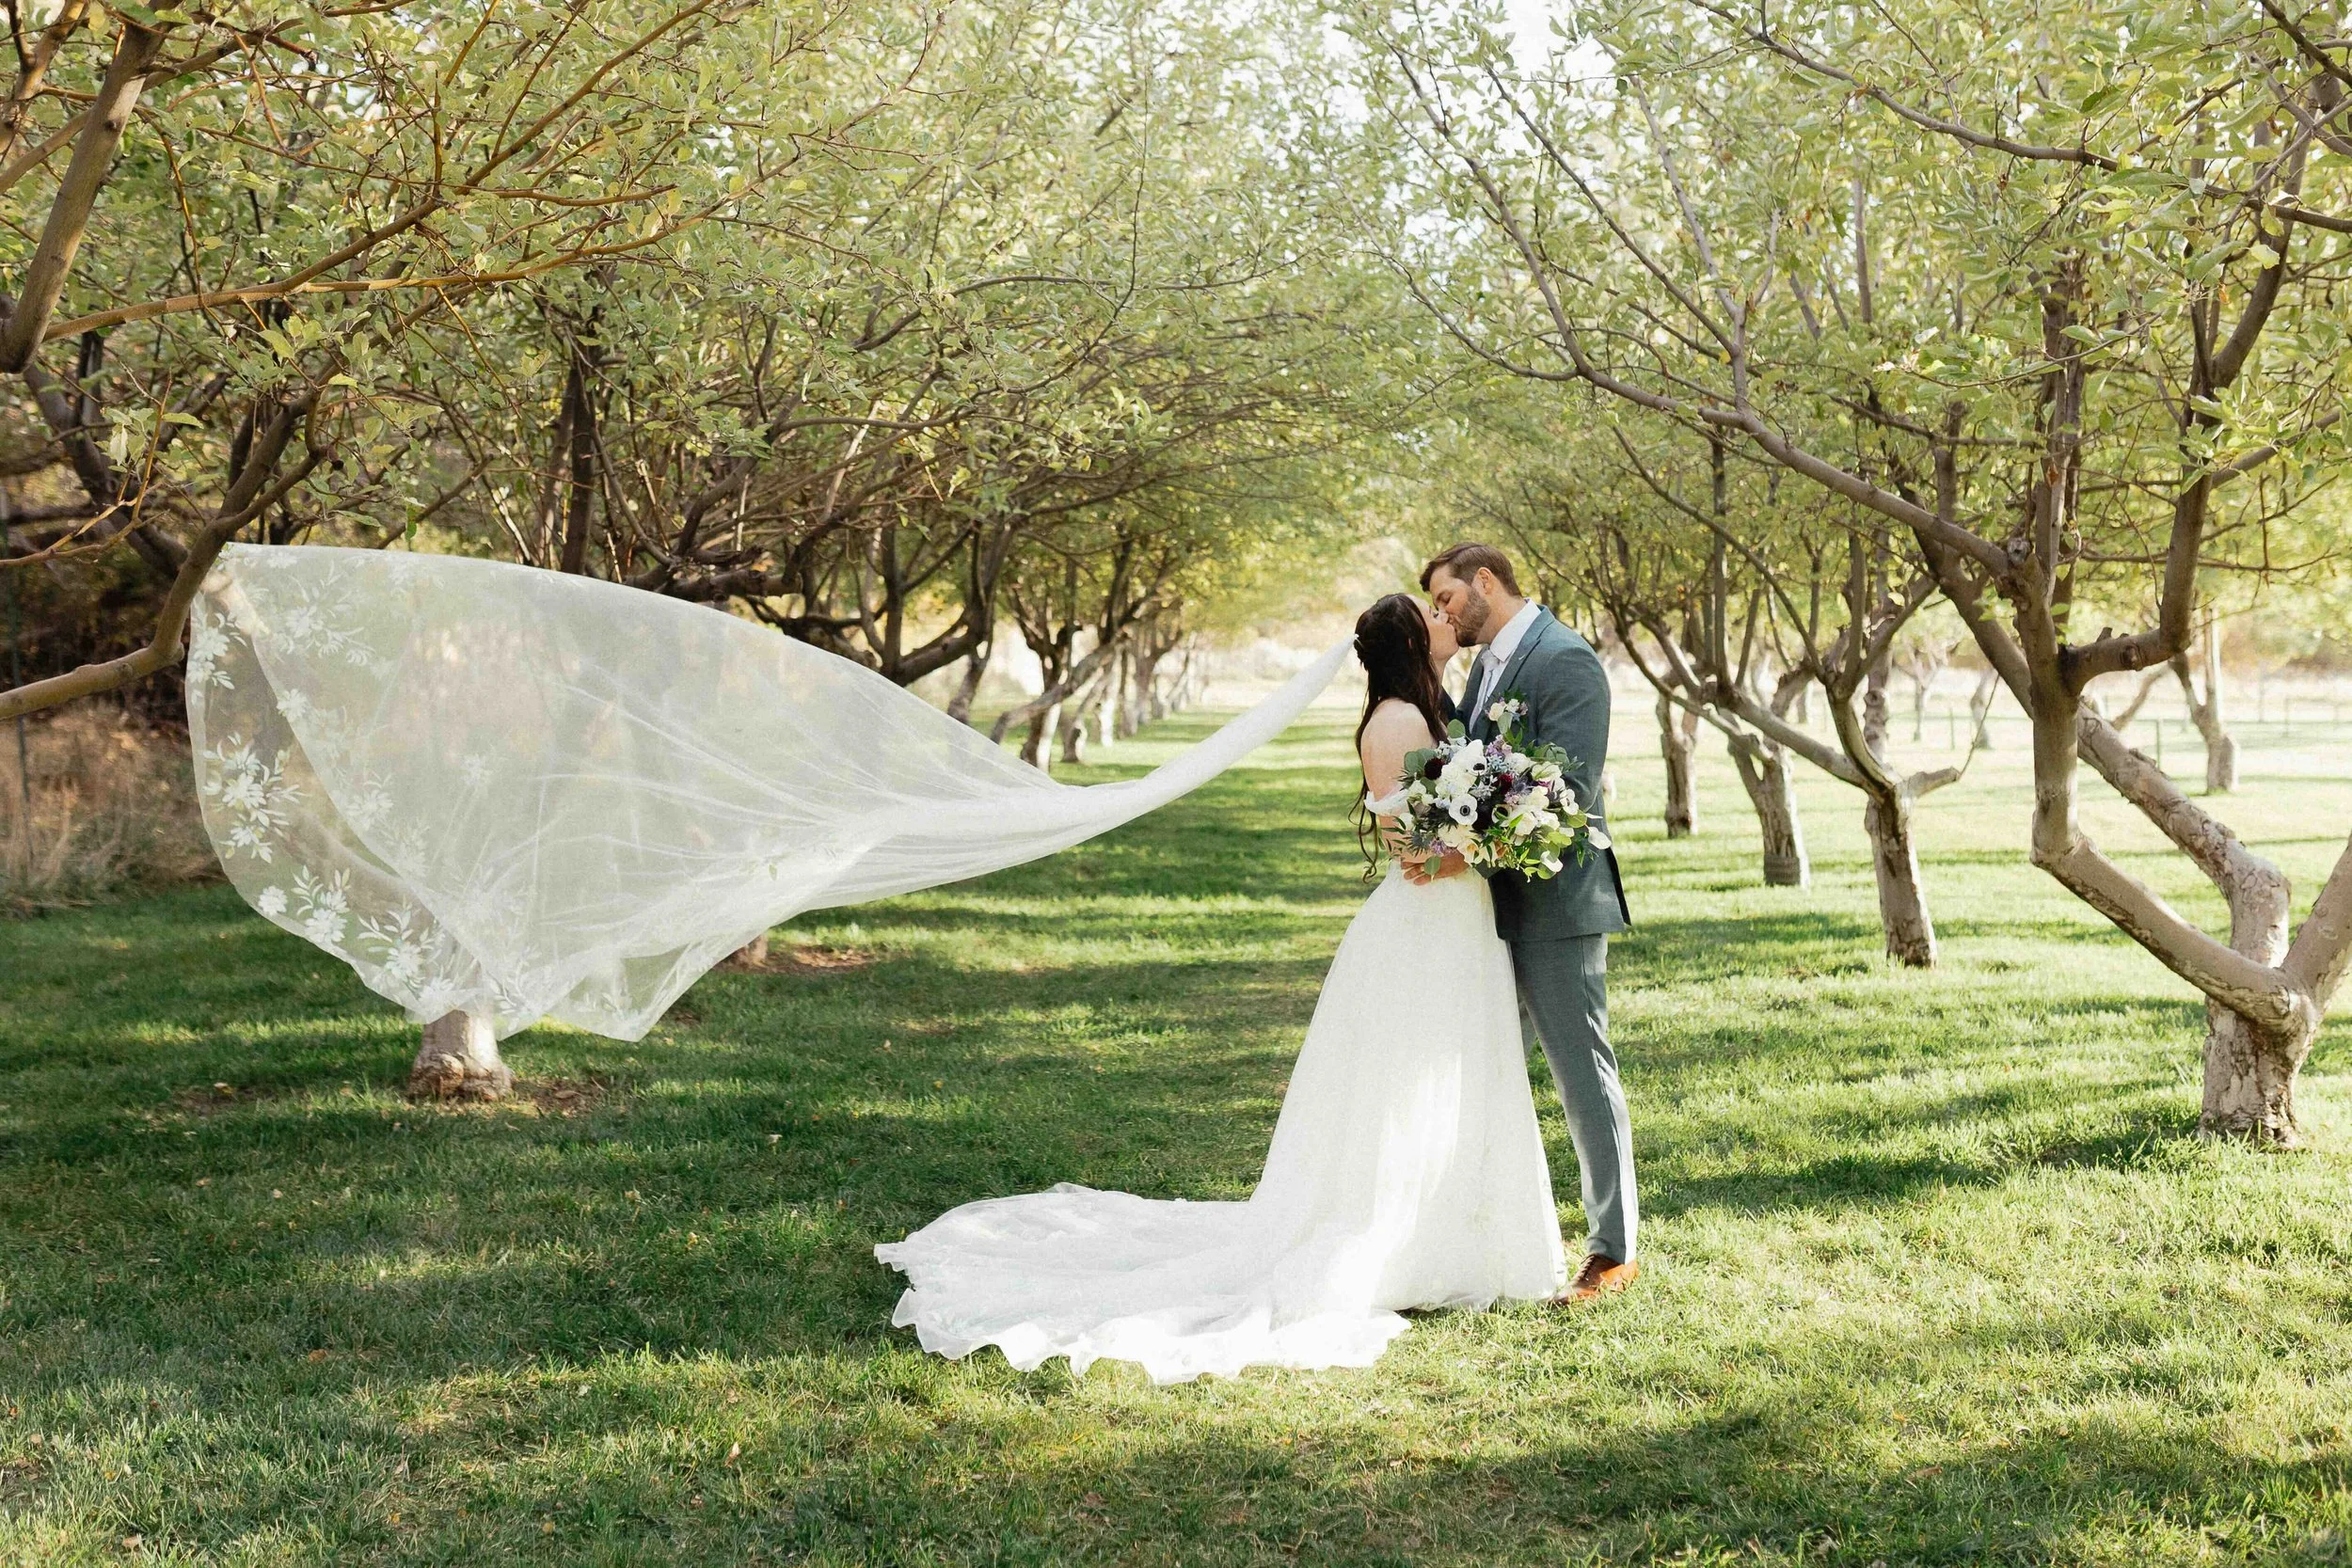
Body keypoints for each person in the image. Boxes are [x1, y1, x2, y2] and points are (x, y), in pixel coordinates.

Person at [874, 592, 1566, 1383]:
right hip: (1429, 918)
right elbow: (1412, 849)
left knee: (1452, 1070)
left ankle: (1453, 1226)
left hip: (1452, 922)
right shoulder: (1401, 723)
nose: (1450, 618)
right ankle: (1404, 1240)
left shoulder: (1426, 709)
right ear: (1413, 639)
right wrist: (1493, 839)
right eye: (1434, 614)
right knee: (1410, 1078)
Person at [1419, 542, 1637, 1301]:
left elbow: (1566, 795)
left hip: (1557, 900)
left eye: (1447, 600)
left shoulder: (1566, 659)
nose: (1444, 614)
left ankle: (1613, 1248)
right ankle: (1476, 1239)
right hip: (1489, 902)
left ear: (1486, 582)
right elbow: (1473, 763)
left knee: (1582, 1074)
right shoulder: (1483, 668)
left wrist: (1463, 848)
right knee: (1484, 1069)